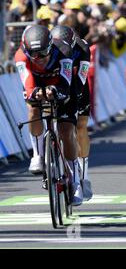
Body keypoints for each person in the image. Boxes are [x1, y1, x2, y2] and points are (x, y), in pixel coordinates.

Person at [14, 25, 84, 206]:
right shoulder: (20, 56)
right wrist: (33, 93)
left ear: (51, 46)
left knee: (66, 131)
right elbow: (27, 83)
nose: (39, 59)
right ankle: (37, 155)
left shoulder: (64, 50)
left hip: (60, 85)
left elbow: (66, 81)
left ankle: (75, 181)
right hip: (36, 84)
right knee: (32, 108)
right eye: (34, 54)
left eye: (44, 52)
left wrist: (57, 91)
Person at [51, 25, 93, 201]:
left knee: (80, 127)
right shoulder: (51, 47)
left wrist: (72, 97)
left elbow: (81, 78)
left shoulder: (82, 48)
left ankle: (84, 175)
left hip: (77, 87)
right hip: (55, 84)